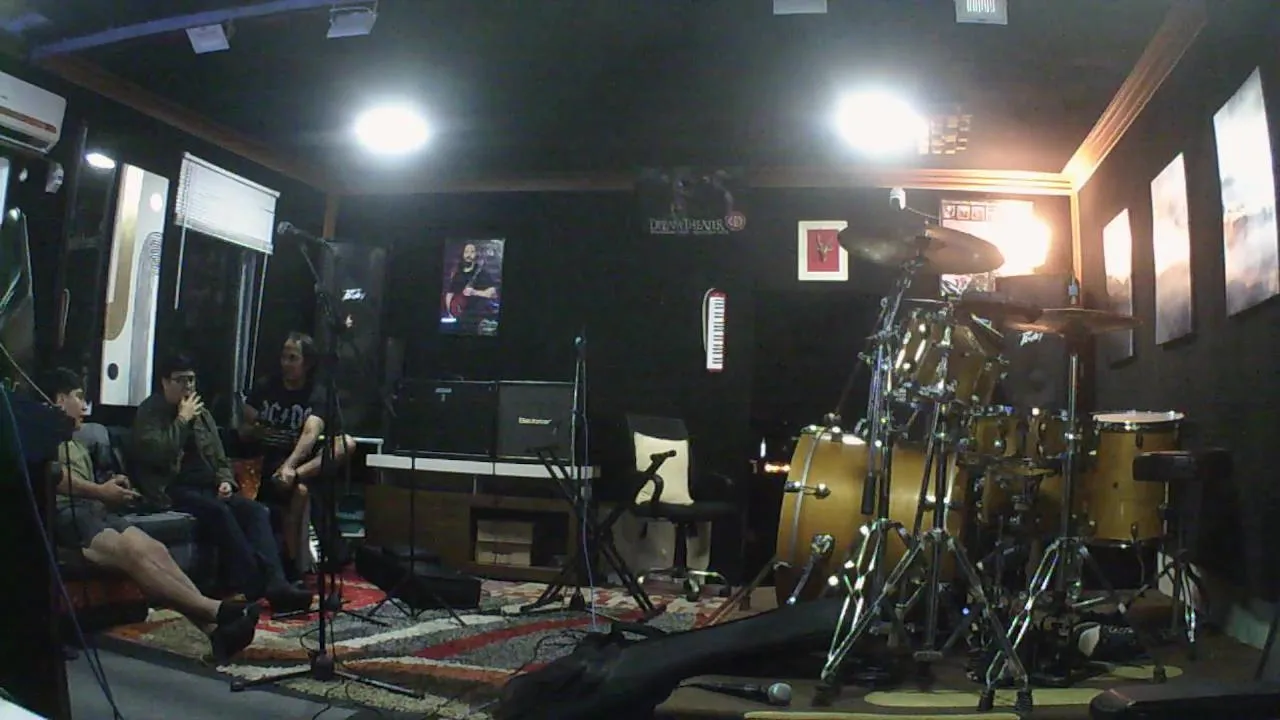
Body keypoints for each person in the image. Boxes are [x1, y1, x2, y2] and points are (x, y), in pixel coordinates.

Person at [43, 368, 259, 662]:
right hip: (65, 514)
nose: (84, 406)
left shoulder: (75, 438)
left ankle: (214, 631)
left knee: (155, 549)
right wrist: (99, 491)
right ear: (59, 399)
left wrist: (110, 485)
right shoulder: (40, 434)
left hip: (94, 509)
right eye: (78, 398)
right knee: (132, 555)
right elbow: (55, 476)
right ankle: (216, 610)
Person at [131, 353, 312, 613]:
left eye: (191, 380)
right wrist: (182, 420)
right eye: (180, 381)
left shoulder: (202, 414)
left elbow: (219, 457)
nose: (187, 387)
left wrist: (226, 480)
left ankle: (277, 583)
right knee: (218, 512)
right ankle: (255, 584)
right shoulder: (150, 412)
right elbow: (156, 455)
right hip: (169, 489)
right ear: (164, 382)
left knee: (256, 511)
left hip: (206, 487)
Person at [241, 332, 355, 577]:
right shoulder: (267, 386)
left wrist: (291, 467)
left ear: (308, 363)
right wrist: (254, 429)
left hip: (301, 462)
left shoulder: (317, 392)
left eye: (293, 358)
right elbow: (245, 421)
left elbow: (311, 431)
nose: (286, 363)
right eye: (284, 357)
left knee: (347, 443)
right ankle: (292, 565)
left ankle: (295, 475)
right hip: (268, 461)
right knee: (301, 491)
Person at [444, 242, 498, 329]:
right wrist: (450, 312)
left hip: (476, 319)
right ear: (462, 254)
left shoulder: (482, 272)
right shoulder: (457, 273)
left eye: (472, 252)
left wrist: (474, 292)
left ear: (476, 254)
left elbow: (493, 294)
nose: (469, 255)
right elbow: (450, 293)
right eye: (466, 252)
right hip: (459, 318)